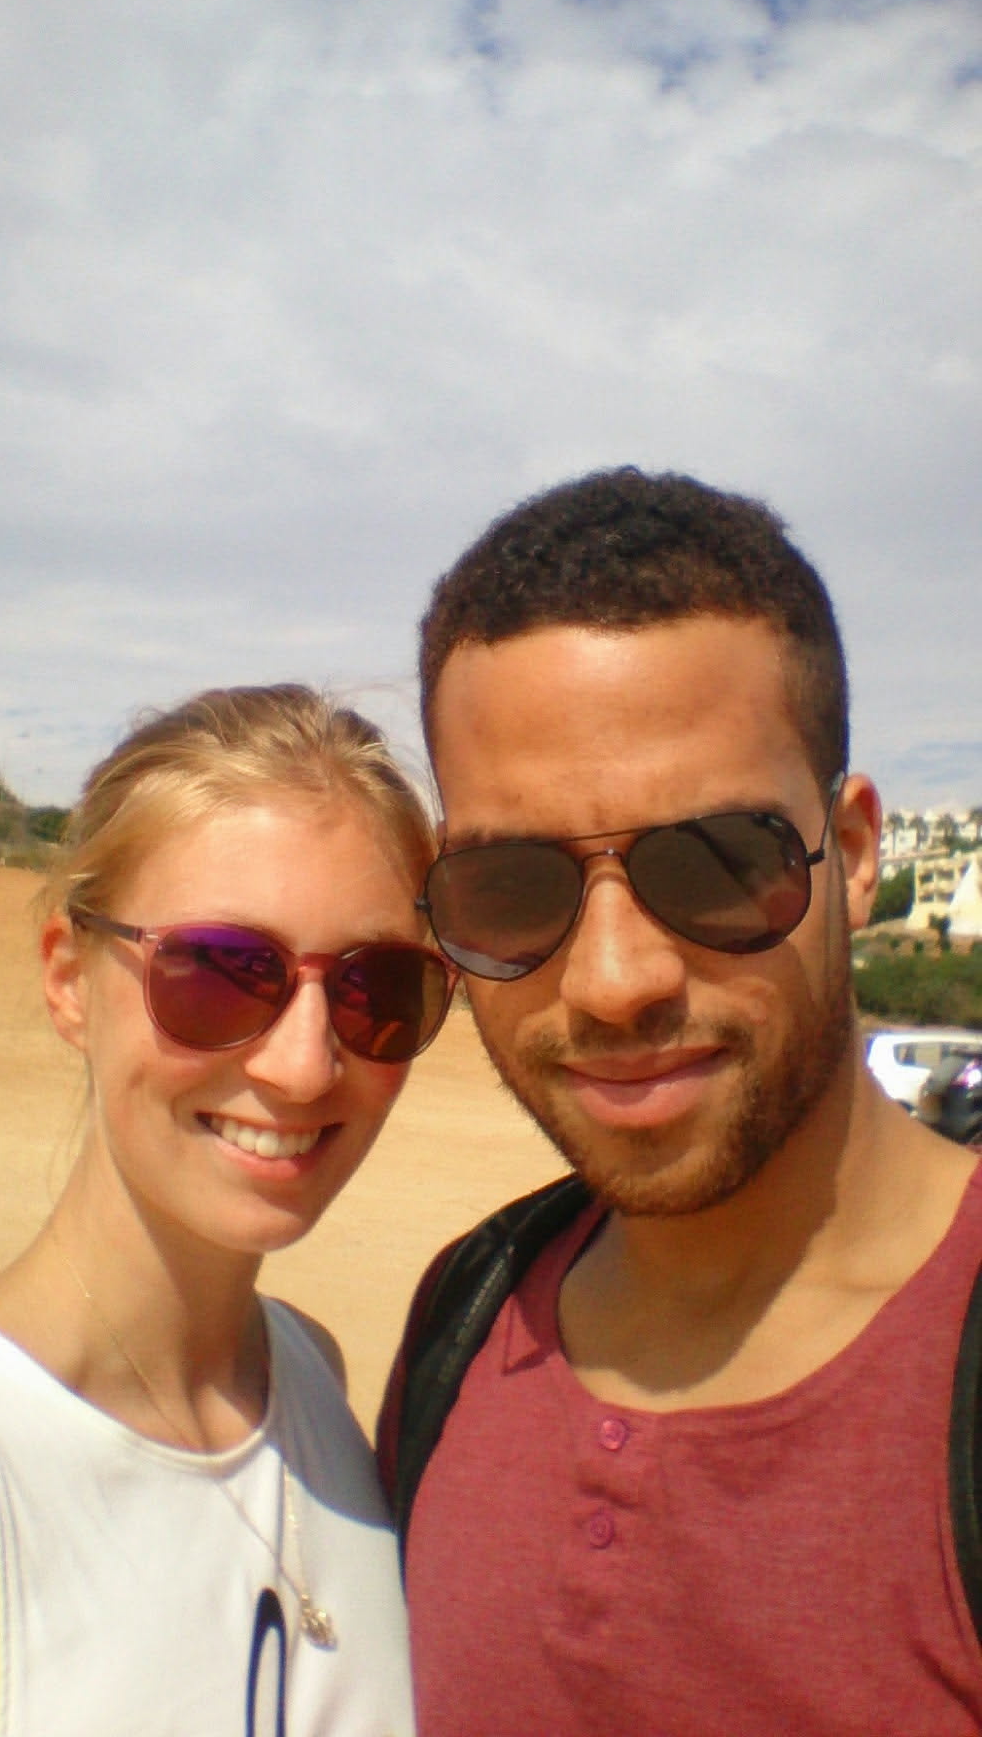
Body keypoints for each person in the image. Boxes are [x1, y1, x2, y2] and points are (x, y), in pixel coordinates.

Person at [378, 468, 982, 1736]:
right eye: (512, 888)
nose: (614, 982)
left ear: (852, 856)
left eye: (713, 865)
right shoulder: (464, 1322)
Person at [0, 684, 455, 1737]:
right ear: (70, 980)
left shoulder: (310, 1379)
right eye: (220, 973)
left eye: (375, 988)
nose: (304, 1066)